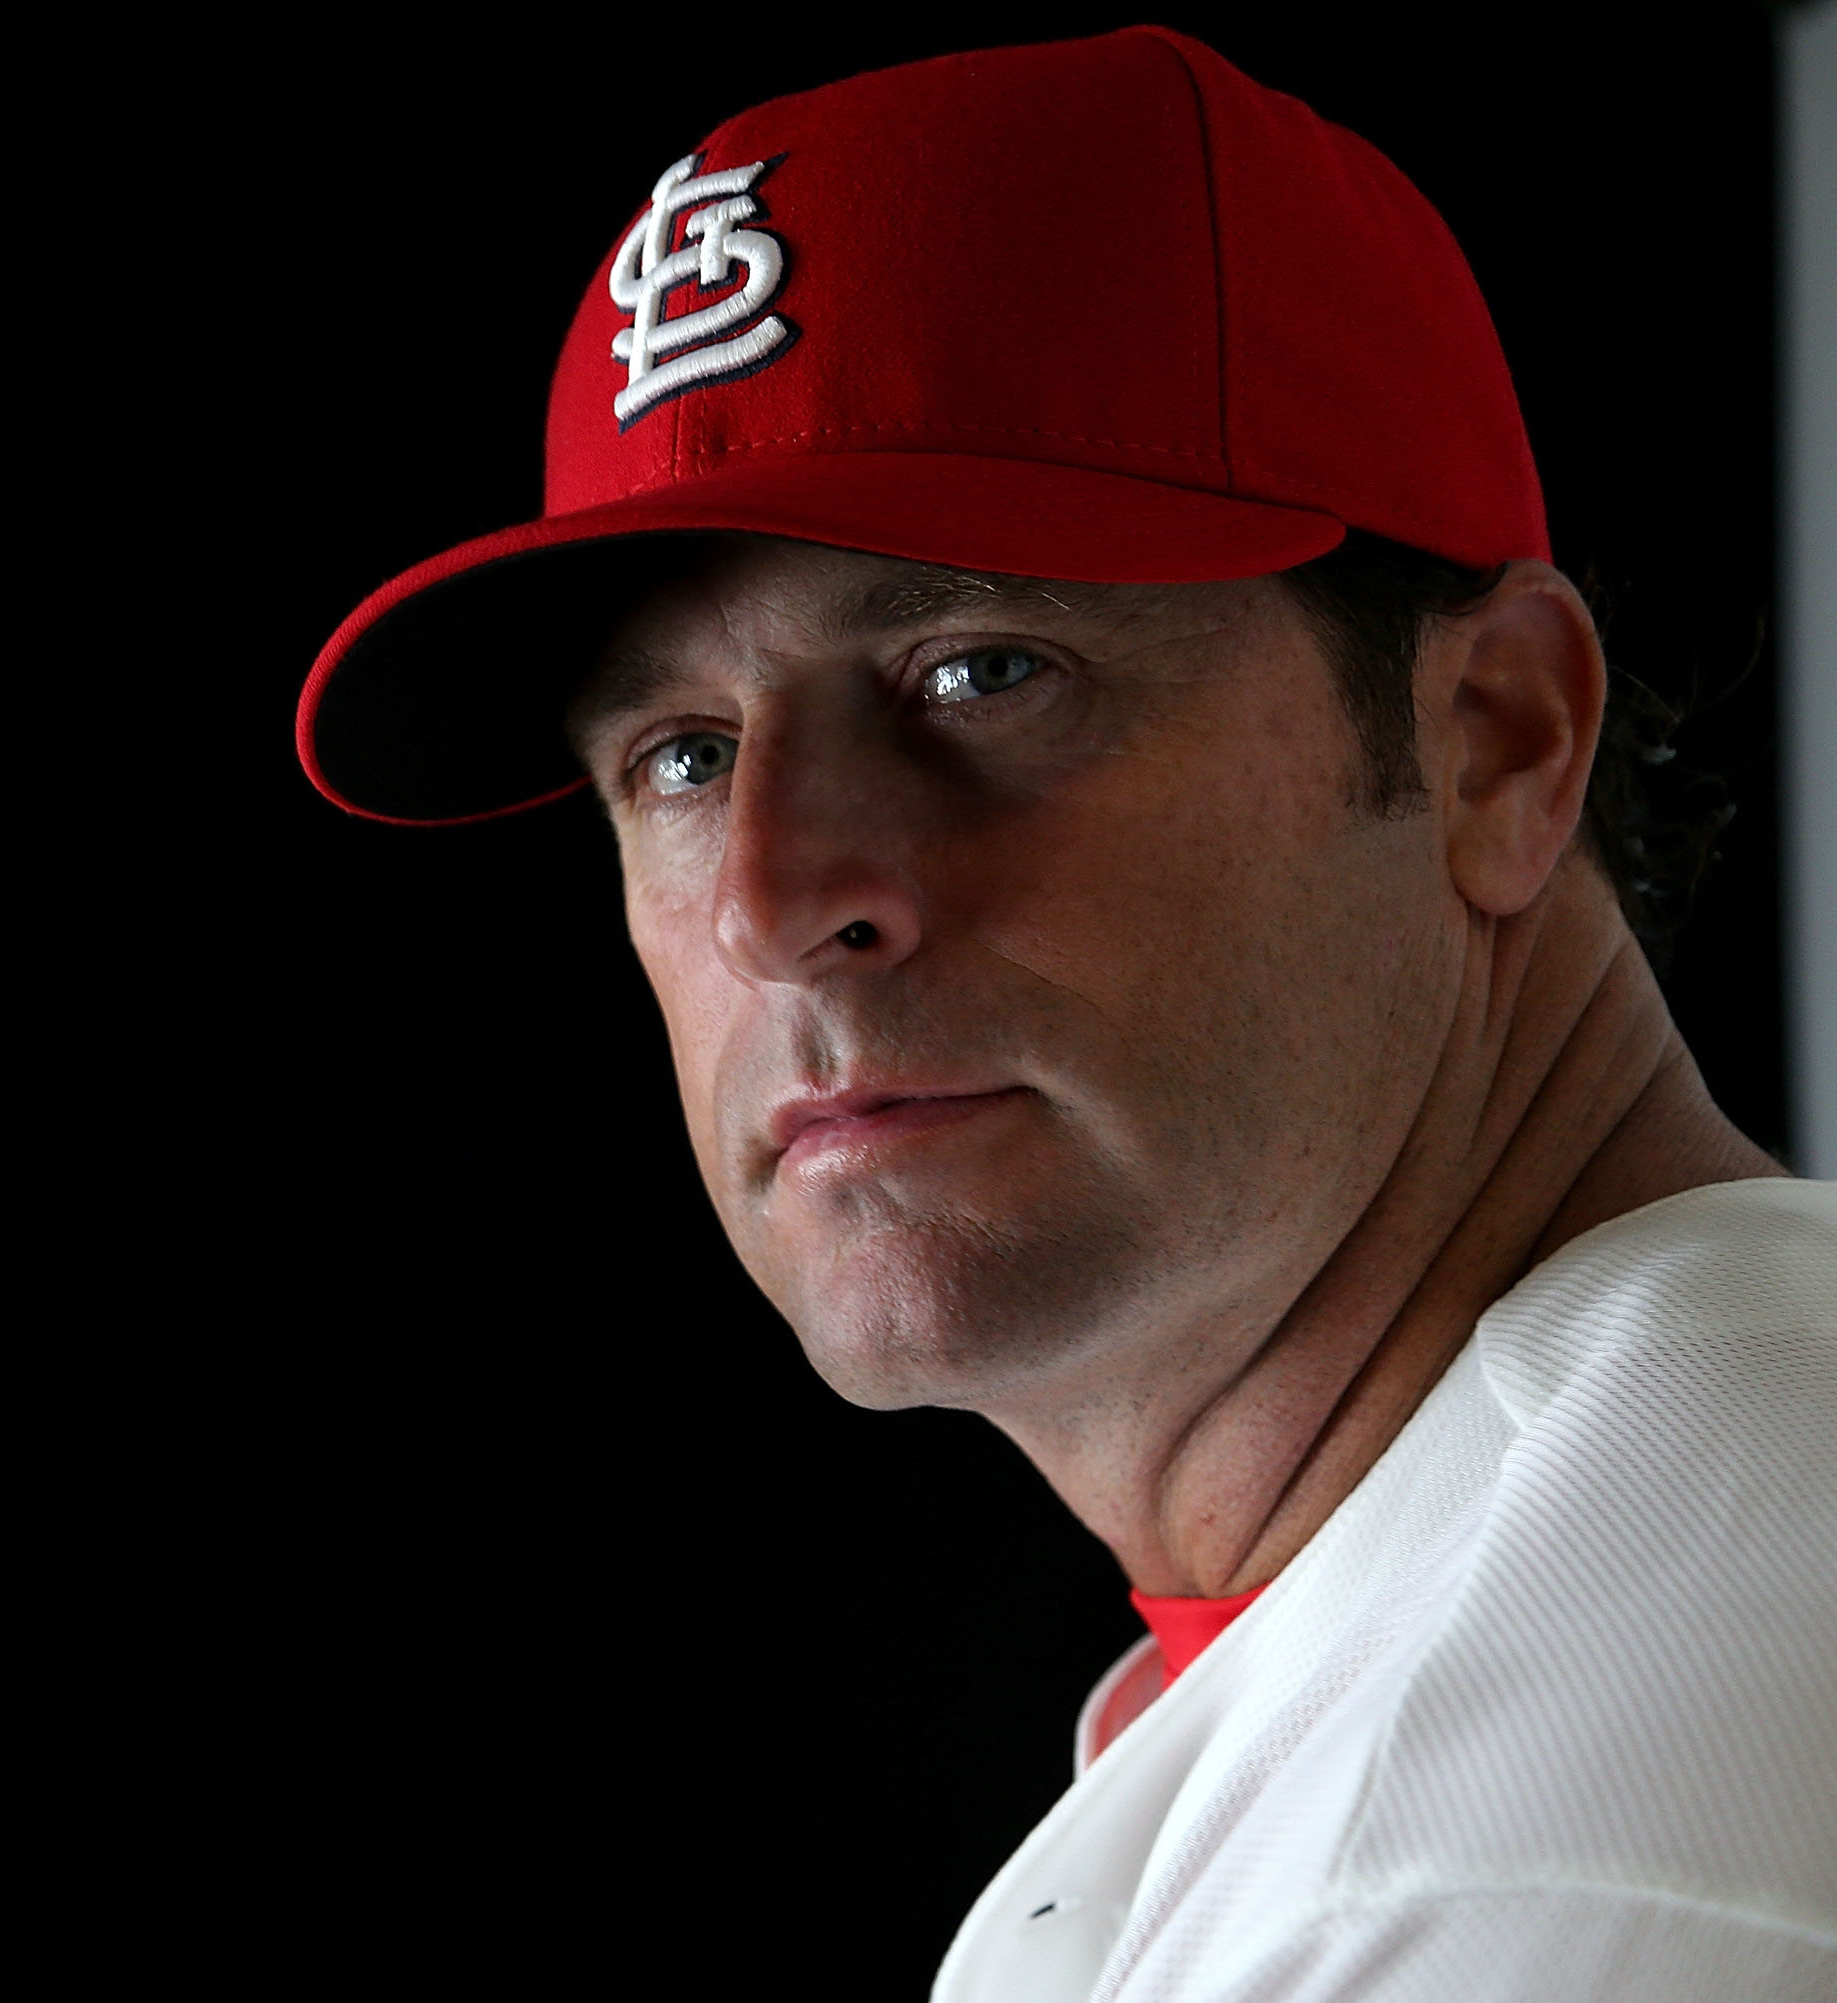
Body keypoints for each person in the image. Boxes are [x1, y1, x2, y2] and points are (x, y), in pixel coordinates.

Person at [291, 28, 1837, 2002]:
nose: (773, 900)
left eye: (981, 671)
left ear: (1494, 740)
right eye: (681, 756)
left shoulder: (1544, 1808)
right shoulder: (1504, 1565)